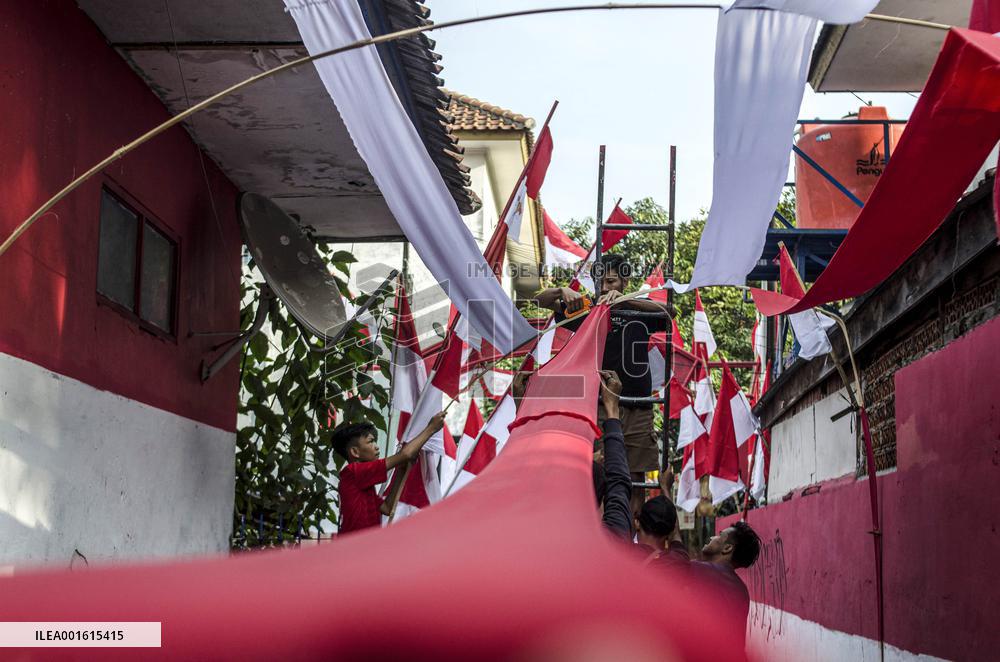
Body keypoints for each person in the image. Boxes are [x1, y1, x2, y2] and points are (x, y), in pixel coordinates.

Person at [537, 253, 670, 514]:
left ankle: (629, 539)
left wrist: (625, 301)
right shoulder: (588, 308)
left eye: (612, 281)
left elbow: (669, 313)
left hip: (638, 407)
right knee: (596, 475)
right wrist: (564, 290)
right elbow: (539, 300)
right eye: (602, 282)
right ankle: (597, 533)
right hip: (598, 404)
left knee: (636, 480)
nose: (606, 288)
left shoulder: (636, 308)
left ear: (624, 281)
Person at [331, 413, 446, 535]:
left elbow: (387, 508)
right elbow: (405, 455)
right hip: (355, 546)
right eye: (371, 442)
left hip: (365, 545)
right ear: (355, 452)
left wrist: (401, 471)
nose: (376, 447)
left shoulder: (363, 482)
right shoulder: (353, 472)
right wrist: (431, 429)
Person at [689, 521, 762, 648]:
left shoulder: (701, 571)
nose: (712, 537)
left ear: (727, 548)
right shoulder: (742, 590)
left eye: (719, 535)